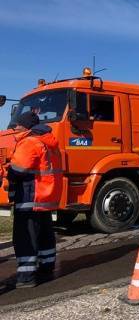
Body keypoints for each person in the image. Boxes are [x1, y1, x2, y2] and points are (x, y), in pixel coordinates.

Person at [7, 111, 63, 288]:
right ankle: (46, 267)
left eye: (17, 126)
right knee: (45, 234)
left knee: (25, 237)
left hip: (30, 197)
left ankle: (26, 277)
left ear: (25, 127)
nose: (15, 129)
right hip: (45, 198)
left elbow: (18, 170)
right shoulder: (49, 142)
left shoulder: (29, 142)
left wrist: (6, 171)